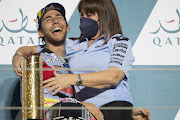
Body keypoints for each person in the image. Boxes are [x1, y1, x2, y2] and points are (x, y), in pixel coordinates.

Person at [12, 1, 150, 120]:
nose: (84, 19)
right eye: (81, 15)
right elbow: (33, 48)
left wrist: (71, 79)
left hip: (113, 107)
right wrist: (18, 55)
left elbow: (113, 77)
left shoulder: (117, 40)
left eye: (89, 15)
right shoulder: (74, 45)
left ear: (104, 15)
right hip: (86, 113)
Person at [12, 3, 103, 120]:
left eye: (59, 17)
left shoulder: (80, 61)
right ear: (41, 32)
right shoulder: (36, 60)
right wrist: (75, 106)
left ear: (68, 27)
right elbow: (32, 104)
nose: (55, 21)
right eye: (48, 19)